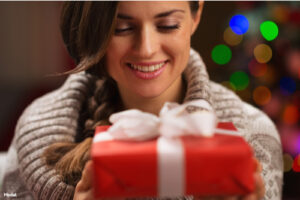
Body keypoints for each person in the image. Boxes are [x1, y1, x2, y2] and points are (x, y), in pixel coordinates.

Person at [1, 1, 283, 200]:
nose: (146, 50)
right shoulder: (36, 128)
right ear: (95, 29)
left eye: (168, 25)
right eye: (122, 28)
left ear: (195, 17)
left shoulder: (252, 135)